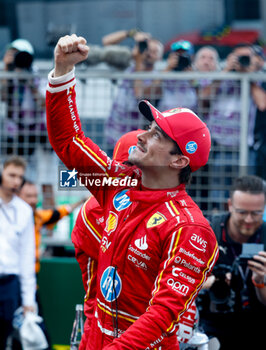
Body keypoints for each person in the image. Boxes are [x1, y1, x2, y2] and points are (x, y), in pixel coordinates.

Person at [46, 34, 219, 349]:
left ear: (179, 160)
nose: (142, 136)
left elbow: (162, 314)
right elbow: (69, 141)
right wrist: (63, 72)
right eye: (149, 128)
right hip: (98, 335)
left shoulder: (189, 228)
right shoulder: (118, 182)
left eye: (157, 135)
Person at [72, 129, 144, 349]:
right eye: (126, 169)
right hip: (105, 319)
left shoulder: (157, 204)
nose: (133, 177)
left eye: (140, 171)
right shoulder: (94, 210)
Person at [199, 175, 266, 349]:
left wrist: (260, 282)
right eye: (242, 212)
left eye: (256, 213)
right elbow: (179, 279)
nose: (249, 219)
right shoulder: (207, 230)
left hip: (255, 325)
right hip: (209, 324)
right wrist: (213, 281)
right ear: (230, 205)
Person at [103, 29, 164, 149]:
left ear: (160, 58)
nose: (149, 54)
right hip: (113, 131)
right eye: (147, 49)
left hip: (133, 139)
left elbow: (139, 94)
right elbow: (106, 44)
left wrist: (138, 60)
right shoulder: (130, 65)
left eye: (154, 52)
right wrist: (131, 34)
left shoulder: (158, 78)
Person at [0, 156, 36, 349]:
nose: (15, 181)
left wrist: (28, 299)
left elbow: (26, 256)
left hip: (9, 284)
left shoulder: (24, 211)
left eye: (19, 177)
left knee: (6, 336)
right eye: (11, 175)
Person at [19, 181, 85, 273]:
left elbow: (59, 213)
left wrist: (82, 201)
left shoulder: (37, 216)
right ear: (18, 197)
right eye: (29, 196)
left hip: (31, 272)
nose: (34, 200)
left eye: (35, 196)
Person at [0, 39, 47, 157]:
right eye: (13, 55)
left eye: (20, 55)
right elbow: (3, 97)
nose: (18, 59)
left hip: (38, 129)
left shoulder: (38, 75)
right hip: (14, 130)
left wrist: (29, 81)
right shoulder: (8, 74)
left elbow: (44, 103)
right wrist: (6, 70)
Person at [158, 40, 197, 113]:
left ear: (192, 56)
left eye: (184, 54)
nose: (181, 58)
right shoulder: (164, 70)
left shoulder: (197, 72)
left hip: (189, 114)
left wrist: (192, 77)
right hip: (167, 114)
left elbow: (201, 93)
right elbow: (154, 87)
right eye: (178, 54)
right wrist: (168, 68)